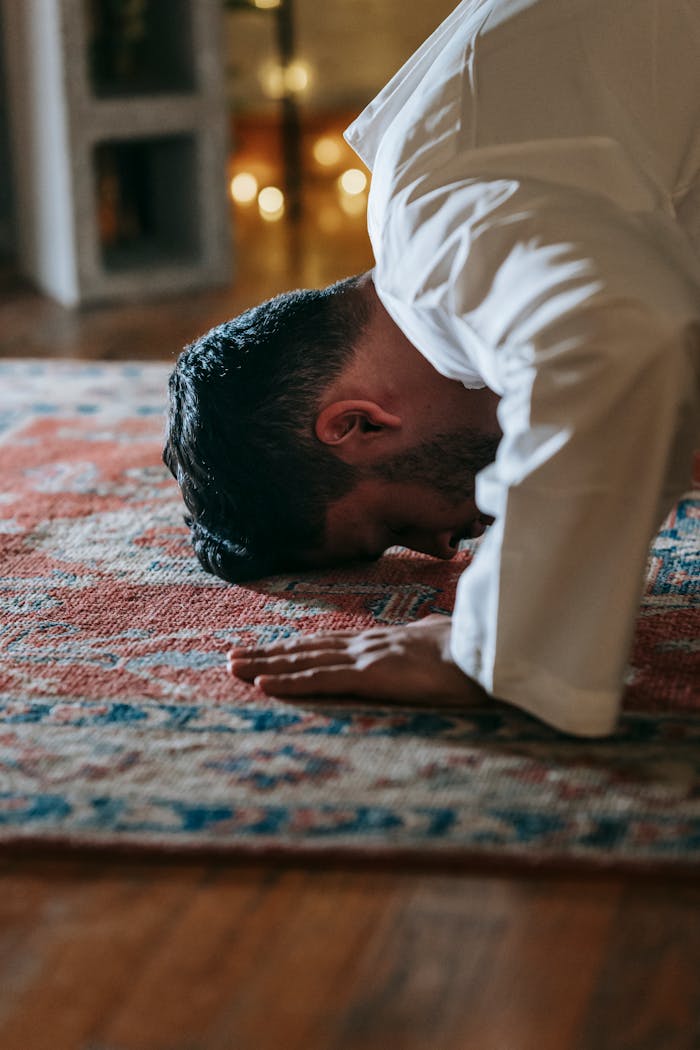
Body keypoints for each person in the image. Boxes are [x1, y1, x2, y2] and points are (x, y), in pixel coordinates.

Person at [164, 0, 700, 737]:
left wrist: (488, 644)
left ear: (355, 423)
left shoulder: (440, 233)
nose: (446, 549)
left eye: (389, 526)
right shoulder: (426, 203)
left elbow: (616, 342)